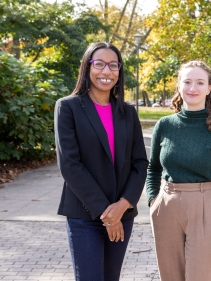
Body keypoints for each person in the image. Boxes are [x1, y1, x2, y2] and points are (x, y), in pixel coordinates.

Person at [54, 42, 149, 281]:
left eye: (113, 65)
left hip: (122, 215)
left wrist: (123, 205)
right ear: (87, 68)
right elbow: (70, 165)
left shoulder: (128, 112)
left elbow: (140, 163)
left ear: (119, 71)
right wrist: (107, 215)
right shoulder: (68, 107)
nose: (106, 71)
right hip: (84, 216)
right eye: (99, 64)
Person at [146, 60, 211, 281]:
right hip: (167, 206)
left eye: (199, 82)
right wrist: (153, 202)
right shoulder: (164, 126)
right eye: (187, 82)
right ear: (179, 85)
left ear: (209, 89)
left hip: (207, 207)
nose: (192, 88)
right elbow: (153, 169)